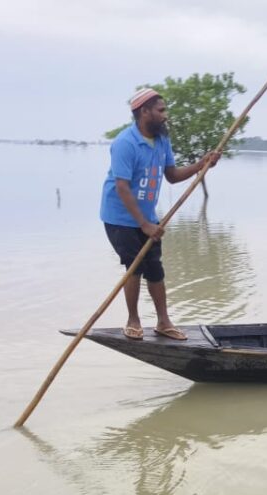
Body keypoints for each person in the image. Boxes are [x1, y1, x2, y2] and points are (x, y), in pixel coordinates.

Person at [100, 88, 220, 340]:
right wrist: (143, 224)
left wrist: (202, 164)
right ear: (144, 112)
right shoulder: (125, 143)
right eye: (161, 110)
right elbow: (122, 187)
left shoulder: (162, 140)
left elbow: (172, 176)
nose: (166, 115)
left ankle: (164, 322)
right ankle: (133, 320)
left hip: (147, 217)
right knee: (134, 266)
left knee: (155, 267)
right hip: (120, 217)